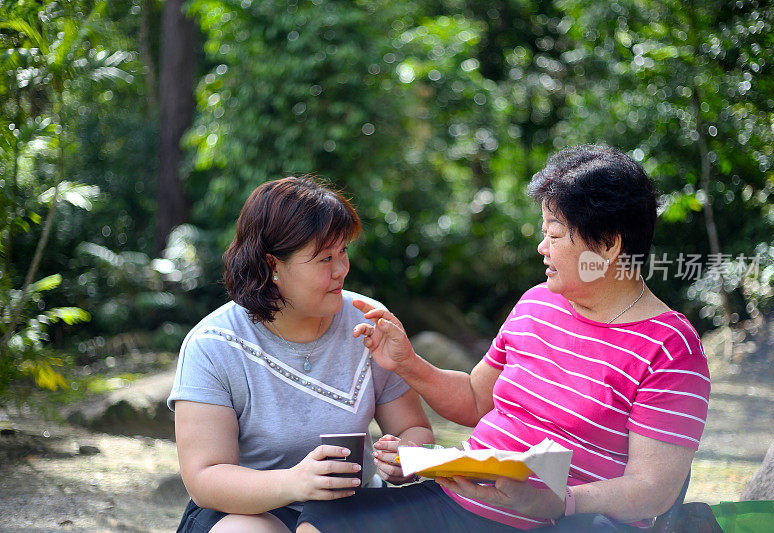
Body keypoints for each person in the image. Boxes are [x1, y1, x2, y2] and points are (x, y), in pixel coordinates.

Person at [296, 145, 711, 532]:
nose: (541, 247)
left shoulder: (672, 347)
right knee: (323, 519)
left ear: (609, 245)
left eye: (555, 234)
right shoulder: (536, 303)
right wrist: (407, 363)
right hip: (461, 506)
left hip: (569, 522)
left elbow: (654, 490)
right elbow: (477, 400)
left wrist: (561, 502)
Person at [167, 176, 434, 533]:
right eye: (325, 258)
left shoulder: (368, 322)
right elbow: (205, 478)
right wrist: (294, 482)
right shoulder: (213, 345)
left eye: (343, 251)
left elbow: (414, 429)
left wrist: (405, 457)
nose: (342, 269)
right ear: (272, 265)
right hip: (245, 511)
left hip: (350, 511)